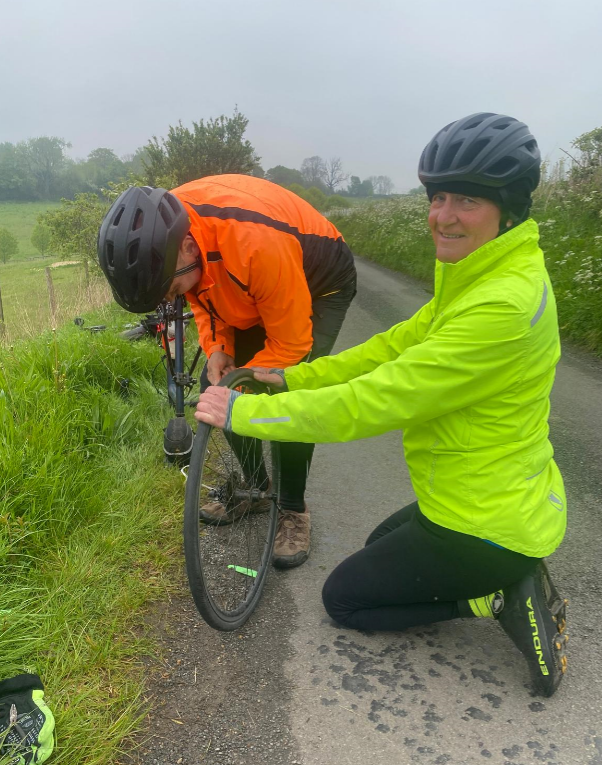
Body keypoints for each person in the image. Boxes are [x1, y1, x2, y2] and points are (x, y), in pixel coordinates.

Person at [194, 113, 568, 697]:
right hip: (488, 496)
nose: (444, 215)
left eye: (467, 200)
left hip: (486, 522)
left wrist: (244, 414)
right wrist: (293, 378)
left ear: (510, 210)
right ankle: (500, 568)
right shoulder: (486, 273)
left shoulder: (501, 306)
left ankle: (497, 595)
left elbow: (376, 400)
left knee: (344, 600)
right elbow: (389, 348)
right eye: (438, 197)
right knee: (377, 550)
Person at [97, 174, 357, 568]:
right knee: (216, 386)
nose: (173, 297)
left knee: (287, 393)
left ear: (188, 246)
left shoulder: (255, 244)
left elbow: (290, 344)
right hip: (248, 279)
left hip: (319, 281)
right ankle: (256, 488)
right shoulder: (173, 239)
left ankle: (292, 509)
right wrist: (219, 350)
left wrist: (248, 384)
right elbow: (201, 292)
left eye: (170, 290)